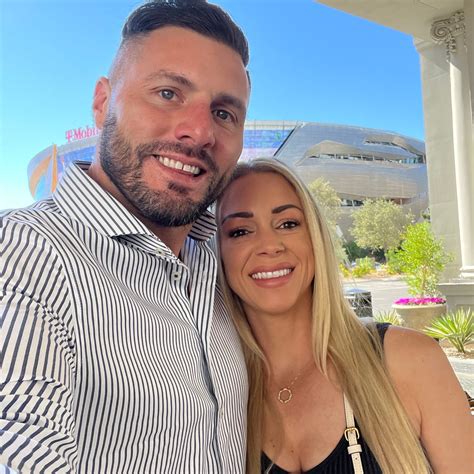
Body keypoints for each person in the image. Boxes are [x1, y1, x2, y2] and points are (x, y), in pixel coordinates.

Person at [1, 1, 250, 472]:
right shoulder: (23, 254)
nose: (199, 132)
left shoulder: (218, 260)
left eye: (223, 113)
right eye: (168, 93)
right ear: (102, 103)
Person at [216, 158, 472, 474]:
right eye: (240, 231)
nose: (269, 245)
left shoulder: (409, 359)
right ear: (218, 253)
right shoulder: (215, 394)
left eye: (288, 224)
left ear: (316, 239)